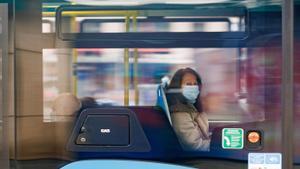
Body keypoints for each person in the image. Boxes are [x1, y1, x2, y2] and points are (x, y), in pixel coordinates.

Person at [166, 68, 210, 151]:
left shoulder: (191, 107)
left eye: (195, 84)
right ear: (178, 87)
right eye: (188, 84)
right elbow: (193, 145)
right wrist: (216, 145)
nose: (193, 87)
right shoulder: (178, 113)